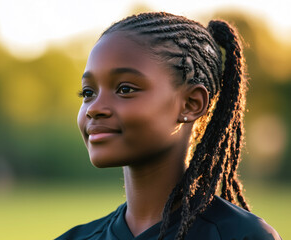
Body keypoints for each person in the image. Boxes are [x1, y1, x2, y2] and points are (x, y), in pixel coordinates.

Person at [55, 12, 282, 240]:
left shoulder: (240, 236)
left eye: (125, 89)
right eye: (88, 93)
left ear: (191, 104)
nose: (94, 108)